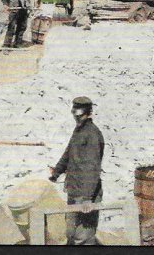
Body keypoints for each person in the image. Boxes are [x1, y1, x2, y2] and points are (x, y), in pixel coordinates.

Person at [49, 96, 105, 245]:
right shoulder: (79, 131)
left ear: (87, 113)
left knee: (84, 236)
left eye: (79, 114)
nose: (76, 117)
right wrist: (57, 172)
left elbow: (93, 168)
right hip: (74, 190)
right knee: (71, 233)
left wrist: (87, 198)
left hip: (87, 193)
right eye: (74, 113)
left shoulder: (92, 134)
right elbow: (68, 153)